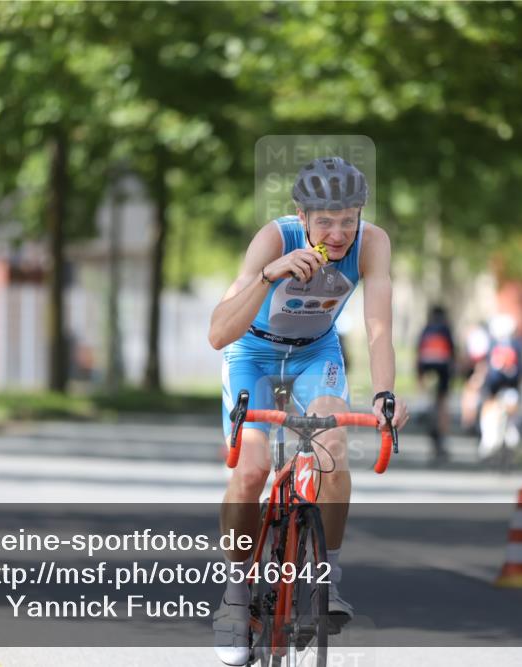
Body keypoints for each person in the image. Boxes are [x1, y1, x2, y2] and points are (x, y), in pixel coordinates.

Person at [207, 156, 409, 665]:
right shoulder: (275, 238)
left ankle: (327, 581)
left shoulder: (373, 243)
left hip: (316, 353)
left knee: (331, 449)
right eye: (325, 222)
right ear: (302, 217)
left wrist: (384, 394)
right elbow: (218, 334)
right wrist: (267, 276)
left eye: (349, 220)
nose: (338, 234)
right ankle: (235, 598)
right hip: (252, 352)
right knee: (251, 470)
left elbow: (378, 327)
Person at [477, 314, 522, 459]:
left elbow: (485, 365)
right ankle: (512, 432)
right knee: (513, 408)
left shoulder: (492, 344)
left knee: (488, 406)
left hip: (493, 385)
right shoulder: (518, 345)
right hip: (512, 386)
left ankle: (488, 439)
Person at [416, 305, 456, 464]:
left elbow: (418, 352)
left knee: (429, 396)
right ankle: (443, 433)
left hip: (426, 366)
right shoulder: (446, 330)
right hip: (443, 368)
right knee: (443, 402)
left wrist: (419, 377)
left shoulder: (426, 329)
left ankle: (426, 409)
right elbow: (452, 353)